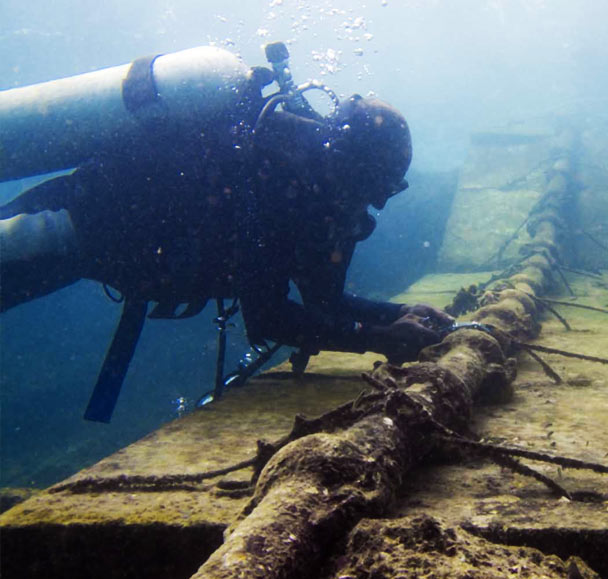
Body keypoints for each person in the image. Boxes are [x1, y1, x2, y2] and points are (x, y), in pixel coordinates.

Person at [0, 73, 452, 420]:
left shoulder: (322, 198)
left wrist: (398, 314)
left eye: (389, 190)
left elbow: (324, 300)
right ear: (348, 165)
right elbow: (267, 318)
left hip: (99, 252)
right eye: (376, 184)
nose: (376, 201)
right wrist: (377, 339)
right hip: (70, 224)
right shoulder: (275, 180)